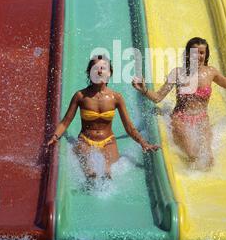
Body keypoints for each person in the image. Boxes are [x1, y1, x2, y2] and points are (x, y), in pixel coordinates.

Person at [132, 37, 226, 171]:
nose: (198, 56)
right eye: (194, 52)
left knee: (208, 161)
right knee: (193, 156)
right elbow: (157, 98)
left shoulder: (211, 72)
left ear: (206, 54)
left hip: (202, 119)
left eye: (202, 52)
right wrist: (144, 90)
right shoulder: (178, 73)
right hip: (181, 119)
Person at [48, 54, 160, 182]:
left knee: (107, 172)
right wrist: (55, 136)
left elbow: (129, 127)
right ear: (89, 73)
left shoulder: (116, 98)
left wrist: (143, 143)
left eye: (103, 68)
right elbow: (65, 122)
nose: (99, 70)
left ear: (109, 73)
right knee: (90, 171)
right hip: (85, 140)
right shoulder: (80, 96)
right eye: (95, 68)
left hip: (108, 142)